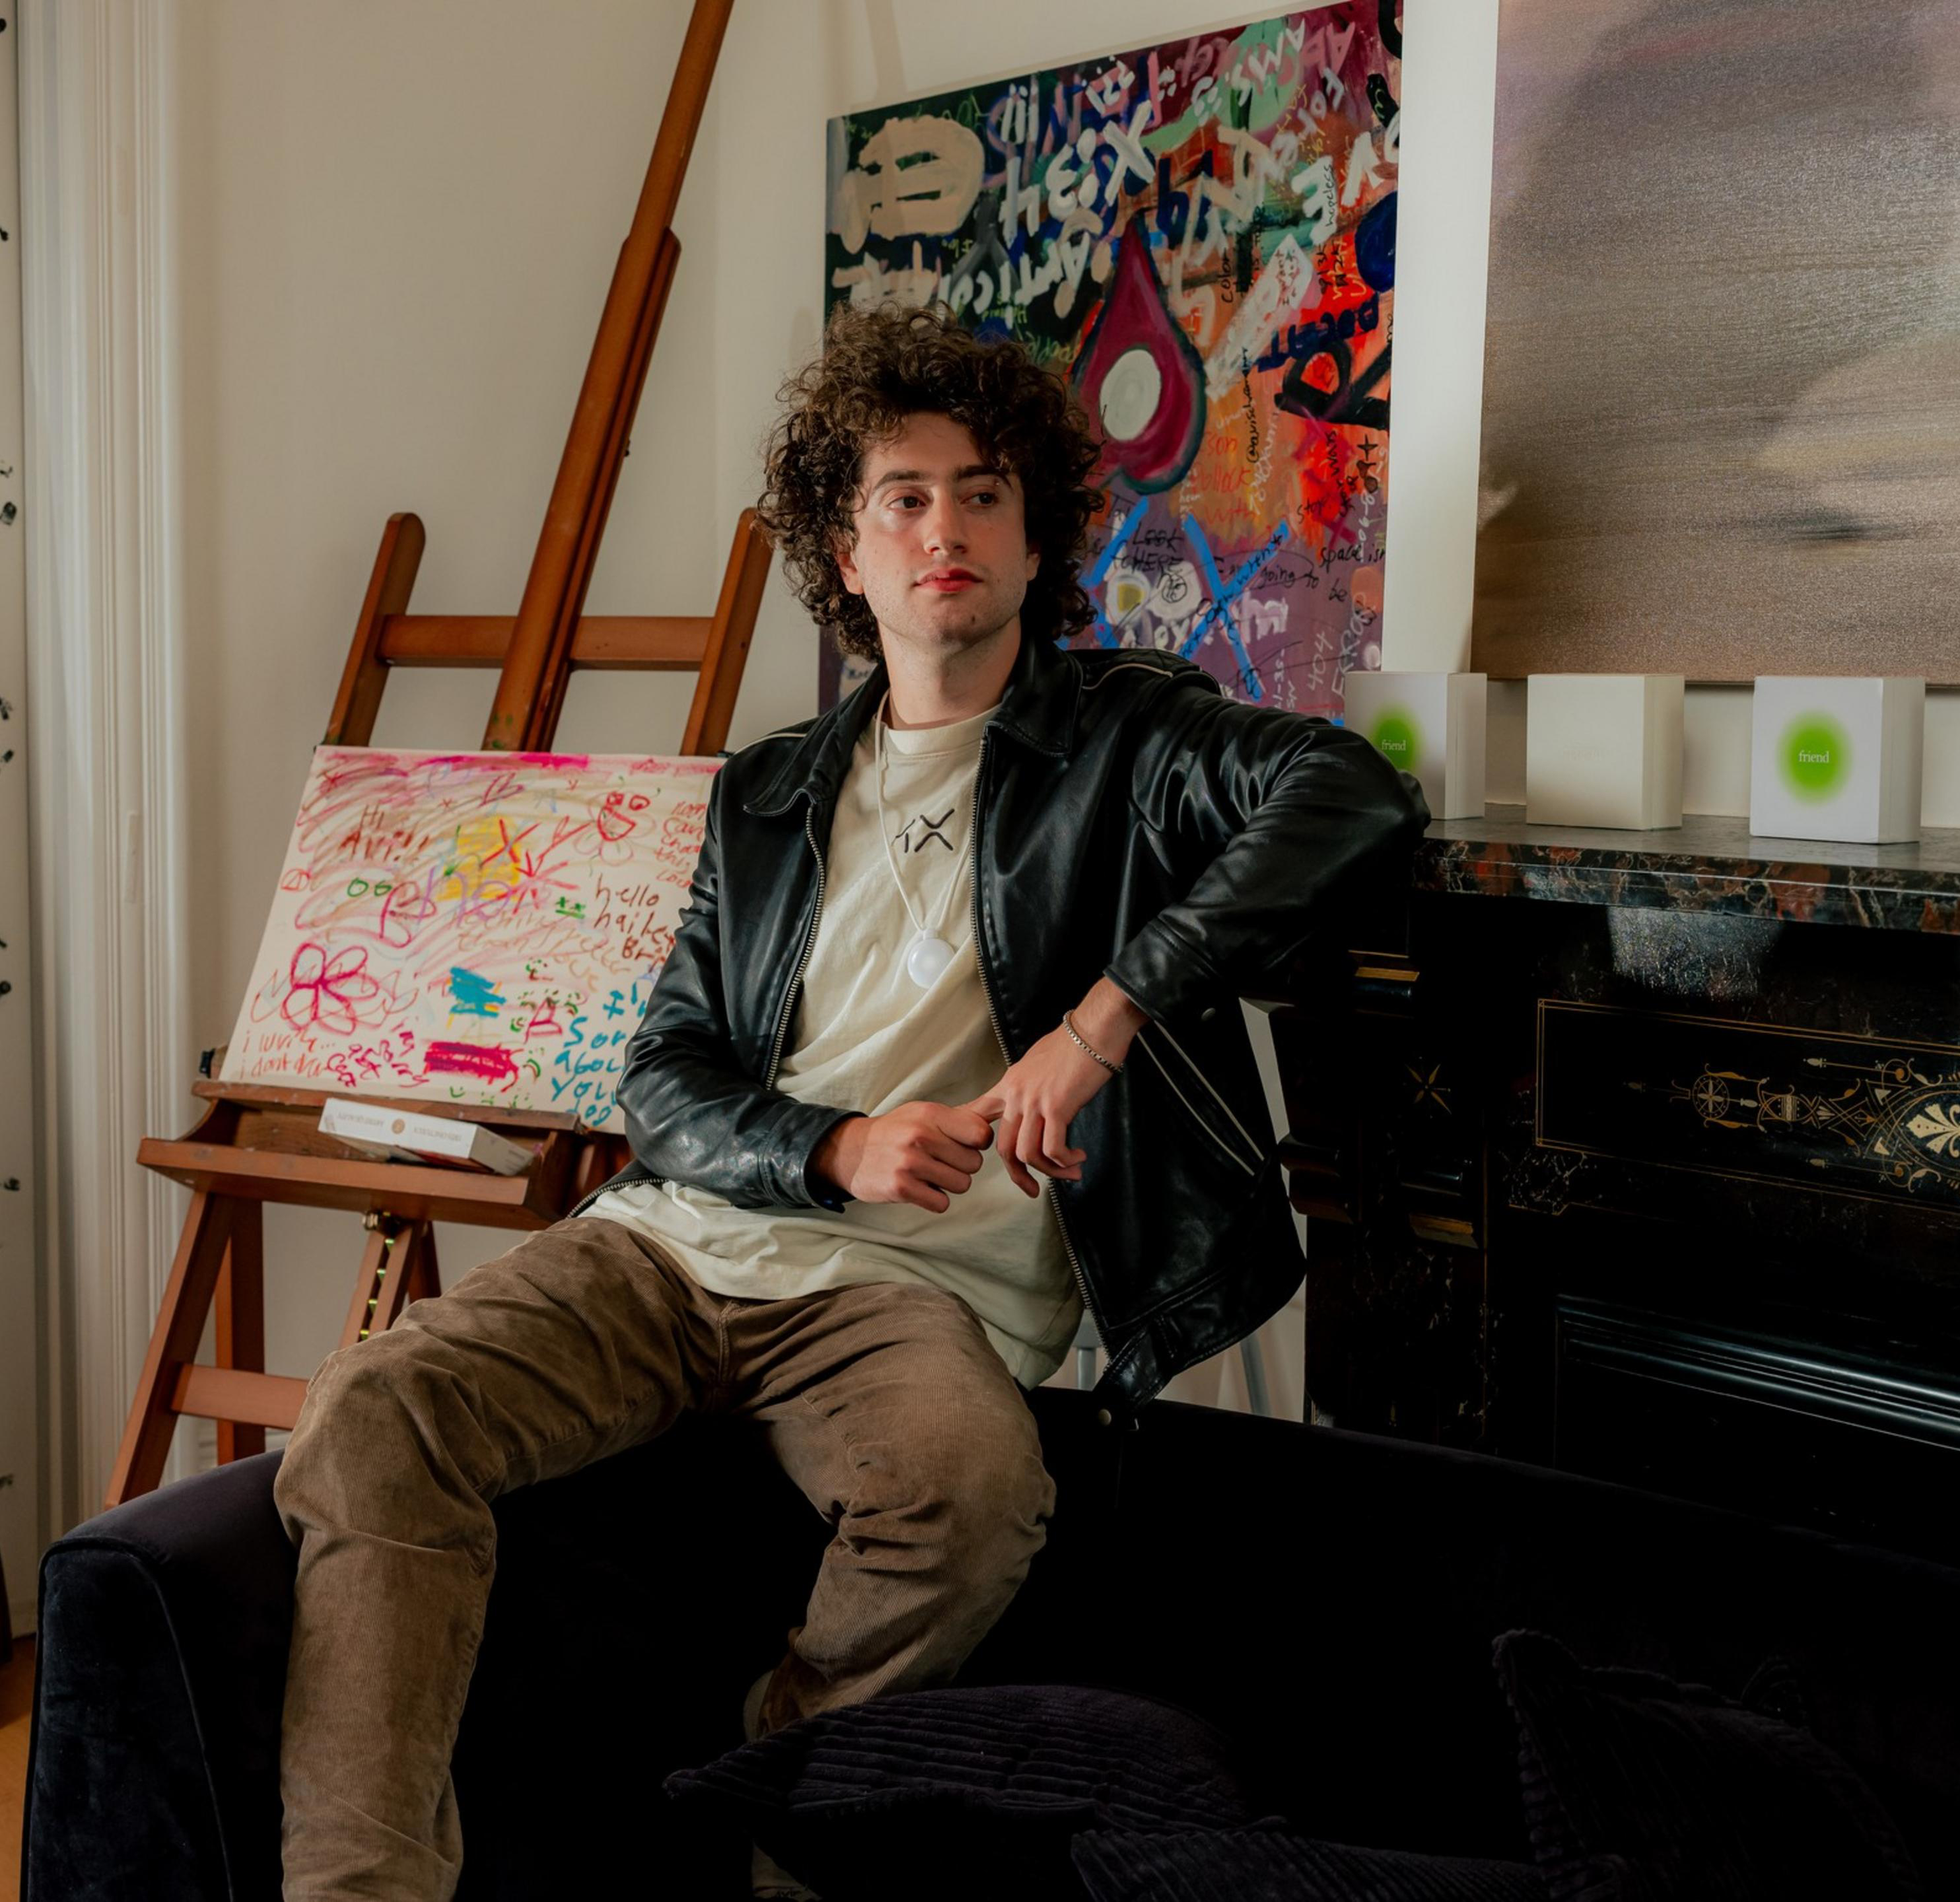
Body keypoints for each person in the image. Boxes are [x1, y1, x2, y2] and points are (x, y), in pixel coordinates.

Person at [273, 304, 1428, 1900]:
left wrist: (1099, 1023)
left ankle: (767, 1810)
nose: (941, 527)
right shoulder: (767, 785)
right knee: (368, 1411)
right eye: (901, 496)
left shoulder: (1129, 740)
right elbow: (662, 1079)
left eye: (979, 493)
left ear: (1035, 543)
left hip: (907, 1297)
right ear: (848, 545)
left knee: (965, 1499)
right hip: (679, 1247)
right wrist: (827, 1145)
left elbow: (1354, 793)